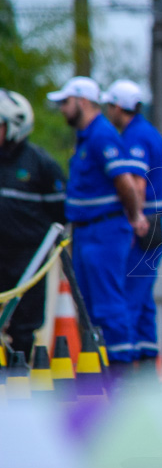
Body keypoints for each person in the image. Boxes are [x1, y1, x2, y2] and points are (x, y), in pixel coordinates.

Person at [47, 76, 149, 379]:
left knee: (108, 306)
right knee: (89, 308)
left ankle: (121, 376)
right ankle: (101, 371)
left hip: (104, 232)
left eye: (66, 102)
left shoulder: (101, 136)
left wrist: (134, 217)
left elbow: (126, 182)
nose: (62, 109)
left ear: (83, 101)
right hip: (87, 232)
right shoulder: (85, 138)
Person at [103, 79, 162, 379]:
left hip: (144, 227)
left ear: (118, 107)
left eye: (109, 106)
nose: (107, 112)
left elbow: (137, 184)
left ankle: (126, 372)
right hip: (156, 227)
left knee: (128, 299)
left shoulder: (135, 137)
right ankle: (146, 365)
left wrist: (133, 218)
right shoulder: (147, 132)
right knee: (142, 302)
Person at [0, 90, 65, 358]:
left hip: (28, 259)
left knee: (24, 327)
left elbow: (60, 213)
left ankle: (20, 382)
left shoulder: (42, 165)